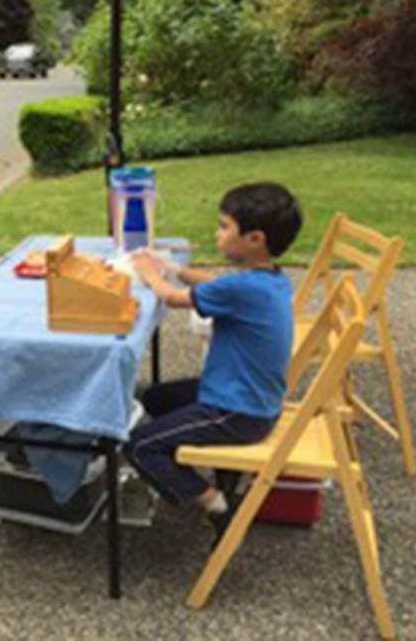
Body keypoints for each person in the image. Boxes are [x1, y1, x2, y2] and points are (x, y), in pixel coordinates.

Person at [123, 182, 302, 541]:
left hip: (238, 412)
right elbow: (214, 284)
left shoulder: (242, 289)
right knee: (153, 398)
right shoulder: (268, 279)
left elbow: (172, 298)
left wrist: (149, 270)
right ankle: (180, 459)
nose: (217, 233)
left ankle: (216, 503)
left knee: (138, 445)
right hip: (248, 398)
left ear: (254, 239)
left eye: (224, 227)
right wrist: (173, 267)